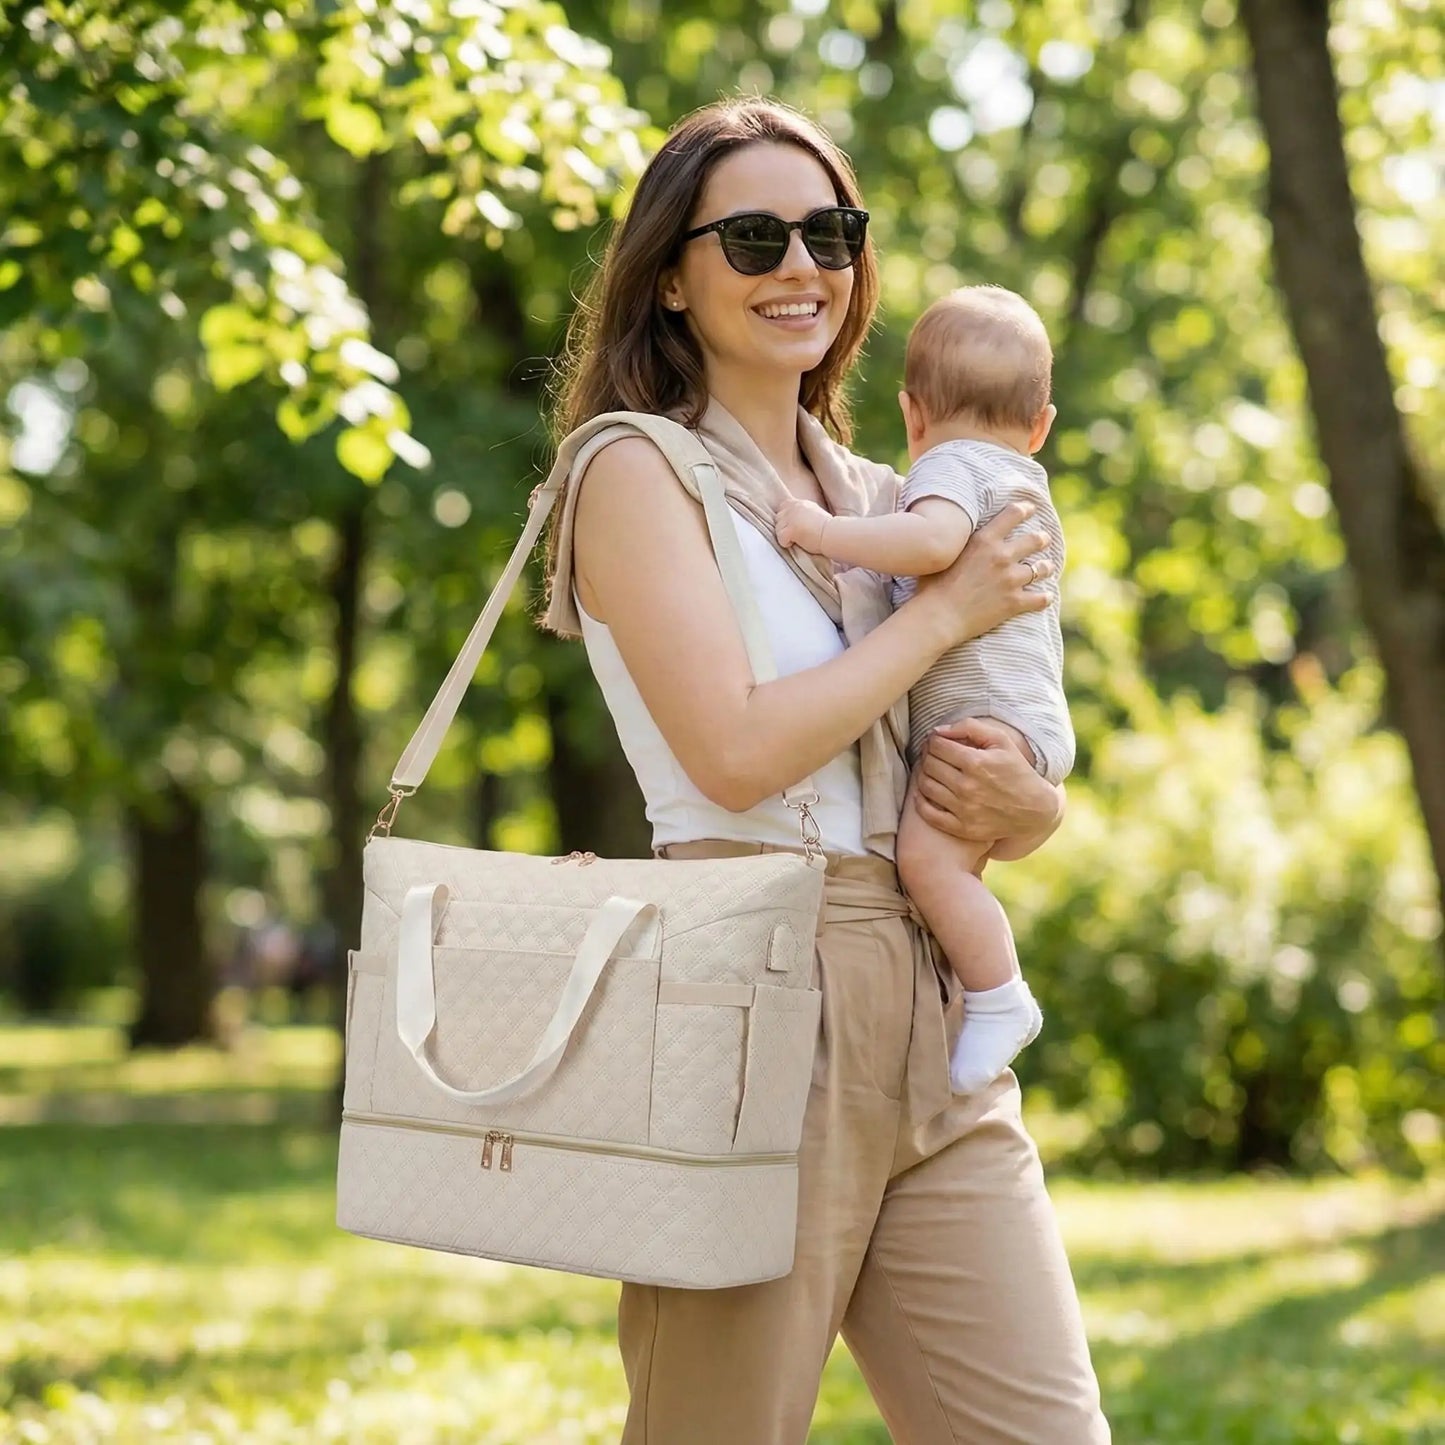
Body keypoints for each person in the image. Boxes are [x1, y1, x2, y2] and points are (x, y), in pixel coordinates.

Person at [542, 97, 1109, 1445]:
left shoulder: (887, 497)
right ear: (671, 276)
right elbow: (733, 751)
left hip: (928, 1000)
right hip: (749, 990)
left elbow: (982, 715)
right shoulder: (632, 471)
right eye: (750, 237)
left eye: (829, 233)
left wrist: (1033, 805)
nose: (799, 266)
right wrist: (944, 611)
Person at [776, 284, 1072, 1094]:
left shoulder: (949, 464)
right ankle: (987, 992)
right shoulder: (1024, 482)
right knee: (952, 862)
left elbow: (934, 539)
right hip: (1016, 718)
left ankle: (999, 996)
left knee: (928, 862)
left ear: (912, 414)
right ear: (1039, 425)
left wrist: (823, 531)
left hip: (982, 718)